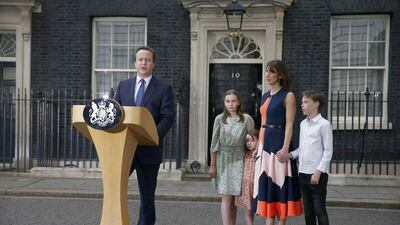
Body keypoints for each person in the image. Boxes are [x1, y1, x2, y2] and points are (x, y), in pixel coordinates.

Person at [115, 46, 175, 225]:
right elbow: (116, 113)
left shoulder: (164, 88)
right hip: (125, 148)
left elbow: (168, 116)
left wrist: (152, 136)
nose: (143, 63)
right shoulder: (123, 86)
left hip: (149, 151)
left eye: (147, 60)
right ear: (135, 63)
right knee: (115, 190)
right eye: (140, 59)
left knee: (147, 196)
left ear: (153, 64)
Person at [252, 60, 303, 225]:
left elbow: (289, 124)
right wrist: (258, 147)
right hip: (265, 146)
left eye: (271, 71)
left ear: (280, 75)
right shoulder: (265, 96)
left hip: (279, 142)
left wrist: (285, 148)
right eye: (266, 71)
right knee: (267, 184)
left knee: (280, 183)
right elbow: (262, 123)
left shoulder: (288, 95)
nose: (267, 75)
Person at [281, 90, 333, 225]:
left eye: (305, 102)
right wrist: (290, 155)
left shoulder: (324, 124)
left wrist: (318, 173)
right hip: (303, 173)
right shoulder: (303, 124)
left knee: (319, 209)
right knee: (308, 210)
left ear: (316, 104)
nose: (302, 105)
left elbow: (328, 152)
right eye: (302, 102)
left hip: (317, 174)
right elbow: (302, 148)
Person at [209, 89, 255, 225]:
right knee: (226, 197)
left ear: (239, 102)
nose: (231, 104)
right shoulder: (219, 119)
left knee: (235, 198)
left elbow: (252, 140)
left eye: (233, 101)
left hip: (240, 159)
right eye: (228, 101)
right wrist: (213, 165)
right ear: (224, 102)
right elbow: (214, 144)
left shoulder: (246, 119)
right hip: (223, 160)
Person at [236, 130, 259, 225]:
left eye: (252, 140)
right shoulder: (244, 155)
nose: (249, 143)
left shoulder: (259, 155)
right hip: (246, 188)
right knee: (248, 211)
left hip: (256, 187)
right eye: (247, 141)